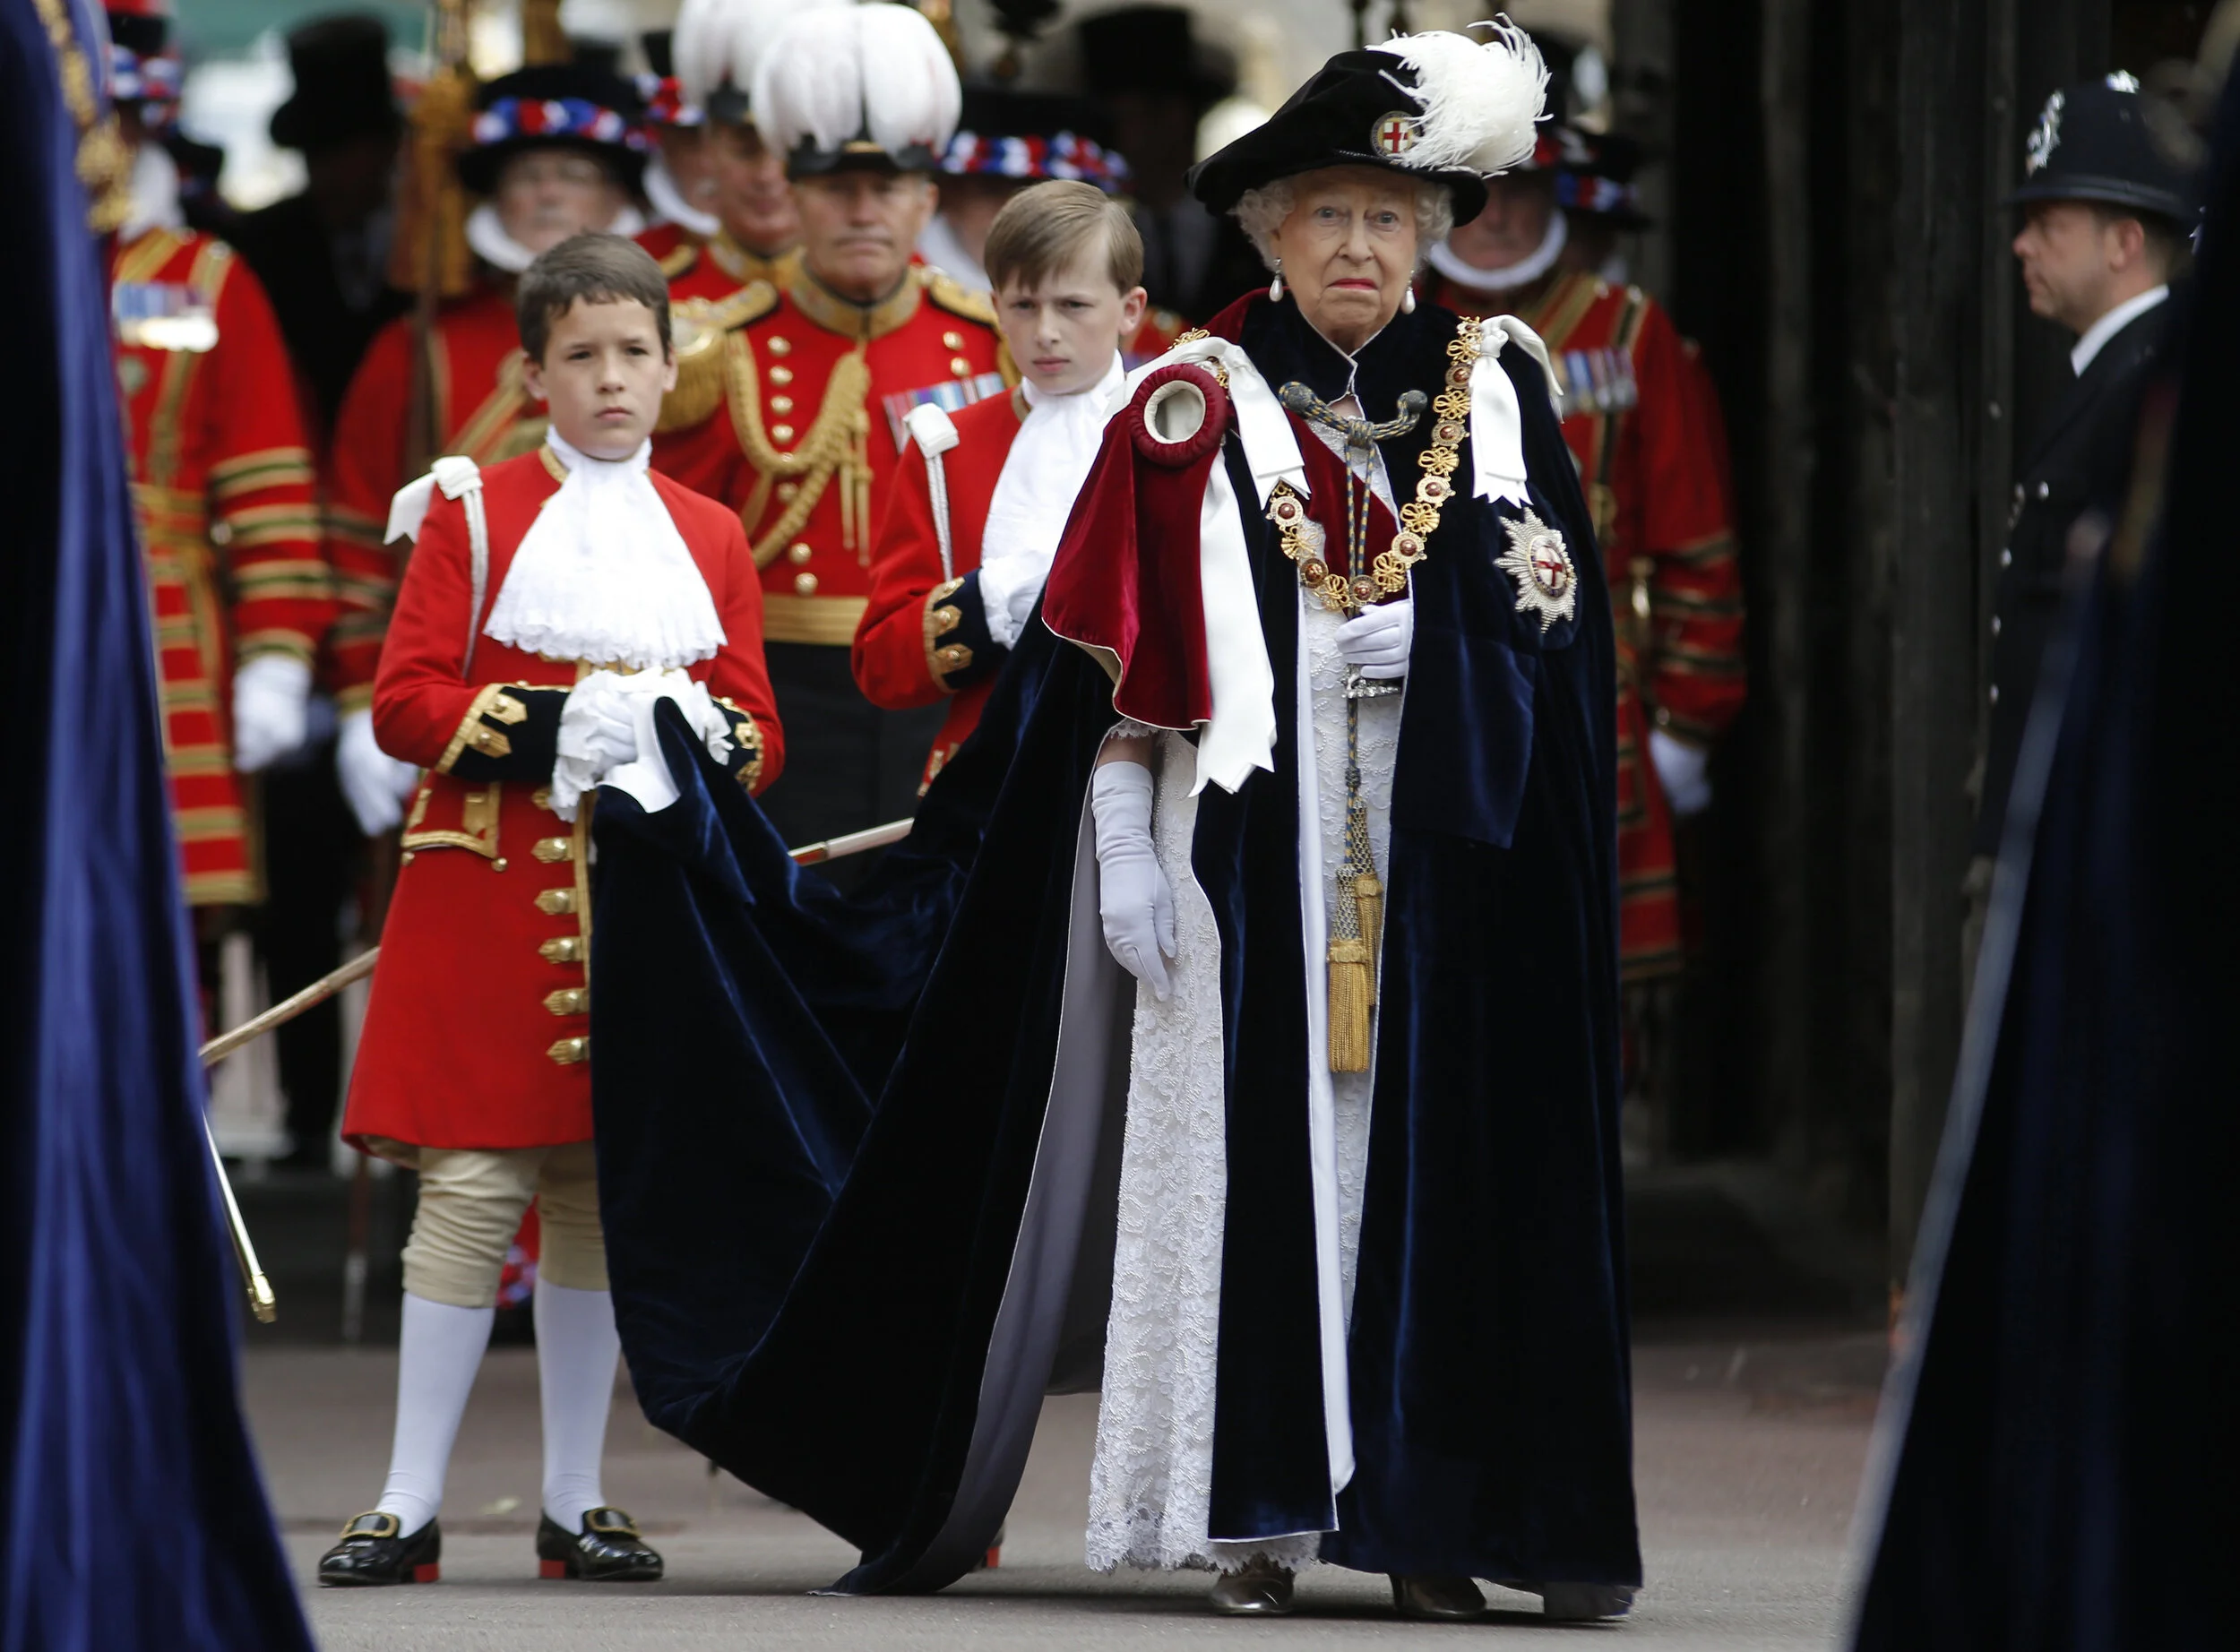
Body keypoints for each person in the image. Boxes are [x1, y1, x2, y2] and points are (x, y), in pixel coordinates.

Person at [587, 22, 1639, 1626]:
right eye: (1325, 215)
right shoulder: (1194, 400)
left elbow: (1563, 626)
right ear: (1270, 232)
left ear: (1429, 232)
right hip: (1243, 852)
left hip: (1451, 863)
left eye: (1385, 215)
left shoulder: (1496, 392)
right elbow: (1110, 661)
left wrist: (1445, 647)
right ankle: (1265, 1504)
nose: (1356, 245)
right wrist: (1133, 840)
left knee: (1439, 1184)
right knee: (1262, 1176)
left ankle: (1445, 1505)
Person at [316, 234, 783, 1588]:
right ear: (535, 376)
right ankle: (406, 1504)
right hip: (485, 898)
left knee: (590, 1200)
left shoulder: (711, 535)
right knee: (469, 1193)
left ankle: (576, 1502)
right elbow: (407, 703)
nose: (611, 379)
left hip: (643, 911)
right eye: (580, 357)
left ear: (669, 364)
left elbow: (757, 731)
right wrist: (555, 721)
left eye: (634, 352)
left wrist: (698, 735)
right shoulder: (471, 512)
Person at [651, 2, 1012, 862]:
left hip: (944, 682)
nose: (861, 212)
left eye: (884, 188)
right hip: (781, 699)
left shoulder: (988, 341)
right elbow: (672, 558)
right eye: (835, 189)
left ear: (926, 198)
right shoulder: (725, 350)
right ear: (794, 191)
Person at [1425, 126, 1745, 997]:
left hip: (1598, 708)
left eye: (1522, 191)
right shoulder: (1399, 322)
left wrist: (1683, 725)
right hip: (1430, 698)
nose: (1496, 217)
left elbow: (1698, 541)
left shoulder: (1631, 332)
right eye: (1474, 192)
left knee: (1588, 994)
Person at [326, 61, 652, 840]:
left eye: (574, 173)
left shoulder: (680, 344)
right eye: (527, 174)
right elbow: (356, 532)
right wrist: (358, 694)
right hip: (463, 697)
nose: (547, 195)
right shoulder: (419, 347)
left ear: (617, 198)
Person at [1964, 72, 2197, 985]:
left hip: (2077, 838)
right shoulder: (2110, 377)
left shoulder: (2147, 390)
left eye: (2048, 223)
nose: (2020, 244)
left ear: (2124, 241)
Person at [102, 1, 332, 914]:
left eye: (111, 125)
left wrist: (276, 656)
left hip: (167, 634)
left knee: (168, 908)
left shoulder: (206, 277)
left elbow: (268, 480)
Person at [857, 179, 1147, 788]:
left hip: (1150, 773)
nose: (1045, 331)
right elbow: (882, 665)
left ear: (1130, 310)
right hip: (990, 789)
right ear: (994, 307)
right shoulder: (945, 448)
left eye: (1072, 305)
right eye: (1023, 306)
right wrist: (988, 600)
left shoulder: (1174, 432)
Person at [229, 13, 408, 443]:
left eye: (342, 152)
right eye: (313, 153)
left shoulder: (434, 243)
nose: (325, 174)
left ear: (386, 149)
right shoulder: (258, 242)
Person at [653, 0, 832, 298]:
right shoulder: (645, 298)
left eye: (787, 151)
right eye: (745, 150)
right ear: (708, 148)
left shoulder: (889, 291)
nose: (767, 175)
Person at [633, 26, 721, 265]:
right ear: (663, 143)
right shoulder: (627, 265)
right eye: (692, 141)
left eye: (745, 148)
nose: (712, 163)